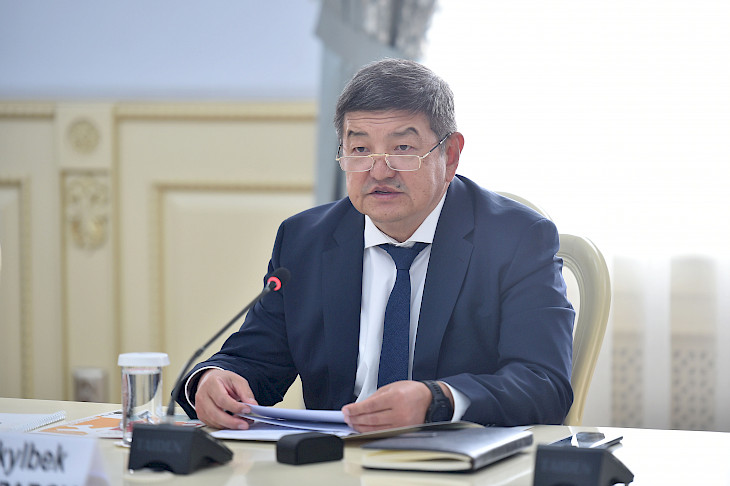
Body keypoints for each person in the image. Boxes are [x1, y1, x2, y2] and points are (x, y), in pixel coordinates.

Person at [175, 58, 574, 432]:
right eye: (361, 149)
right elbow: (254, 361)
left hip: (457, 462)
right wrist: (214, 380)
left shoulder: (516, 239)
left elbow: (543, 385)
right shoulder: (304, 241)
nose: (379, 171)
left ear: (450, 155)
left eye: (403, 148)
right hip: (332, 463)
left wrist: (439, 400)